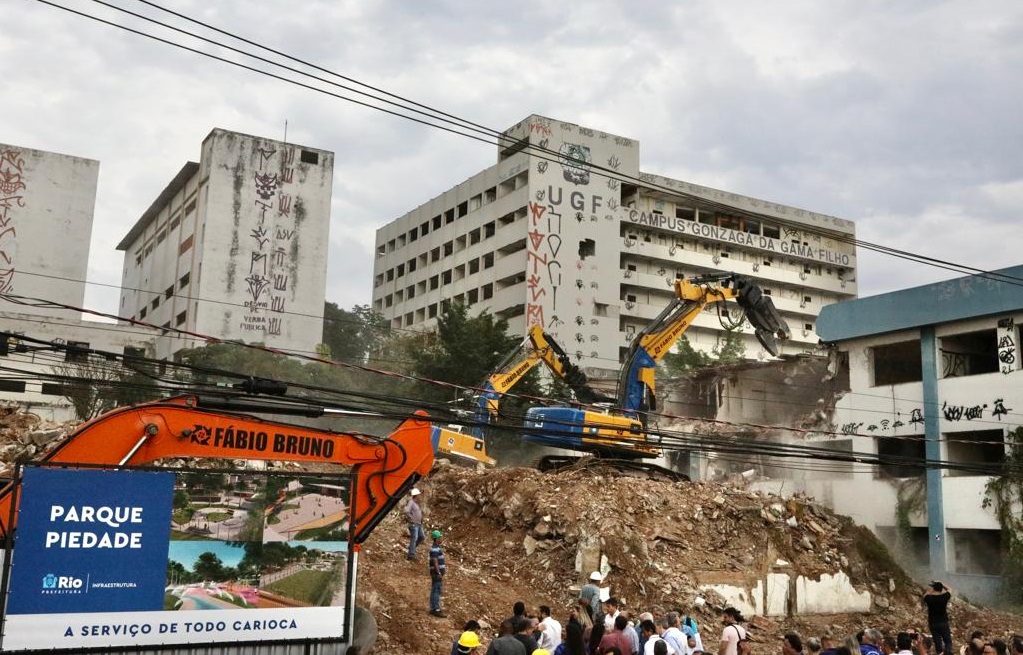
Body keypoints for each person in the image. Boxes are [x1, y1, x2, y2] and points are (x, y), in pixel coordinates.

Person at [922, 582, 953, 655]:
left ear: (934, 589)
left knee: (937, 642)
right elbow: (950, 589)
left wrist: (930, 590)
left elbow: (926, 593)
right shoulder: (944, 597)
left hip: (932, 623)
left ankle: (939, 653)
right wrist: (942, 584)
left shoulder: (928, 598)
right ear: (941, 589)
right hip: (943, 622)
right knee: (947, 641)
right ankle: (947, 653)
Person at [428, 529, 446, 617]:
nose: (441, 538)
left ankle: (433, 608)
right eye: (440, 537)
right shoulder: (434, 549)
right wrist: (438, 573)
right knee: (436, 590)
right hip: (436, 574)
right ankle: (436, 609)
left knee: (434, 590)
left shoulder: (436, 548)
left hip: (436, 573)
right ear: (436, 539)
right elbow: (435, 561)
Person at [405, 487, 425, 560]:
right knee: (414, 538)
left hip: (419, 524)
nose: (420, 496)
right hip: (414, 524)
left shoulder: (416, 503)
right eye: (419, 495)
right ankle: (411, 555)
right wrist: (411, 518)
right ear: (416, 495)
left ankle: (411, 549)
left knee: (422, 537)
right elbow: (407, 511)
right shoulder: (411, 502)